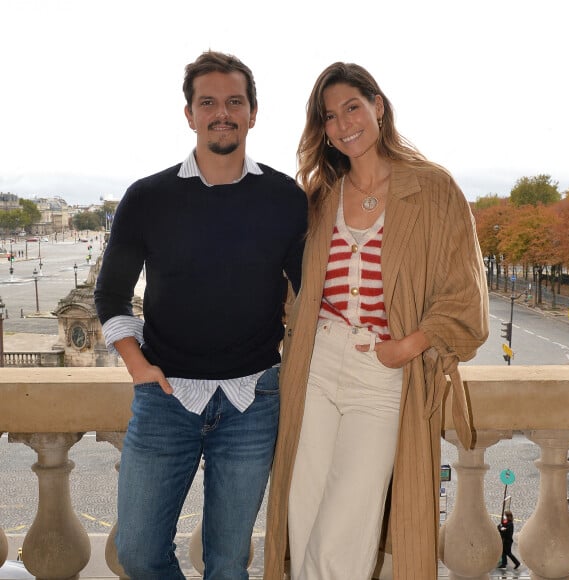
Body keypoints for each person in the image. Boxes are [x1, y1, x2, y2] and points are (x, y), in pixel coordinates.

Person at [264, 62, 489, 580]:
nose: (343, 125)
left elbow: (465, 296)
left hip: (382, 373)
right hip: (316, 368)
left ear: (378, 106)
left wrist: (407, 346)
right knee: (302, 511)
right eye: (329, 116)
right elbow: (288, 284)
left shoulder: (433, 189)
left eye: (352, 108)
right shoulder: (320, 196)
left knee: (346, 526)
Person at [94, 50, 308, 580]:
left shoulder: (287, 198)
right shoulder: (147, 197)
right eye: (207, 102)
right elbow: (111, 294)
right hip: (166, 399)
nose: (222, 112)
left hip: (253, 400)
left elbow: (312, 294)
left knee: (229, 563)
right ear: (189, 114)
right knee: (140, 555)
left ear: (253, 113)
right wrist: (137, 366)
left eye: (235, 101)